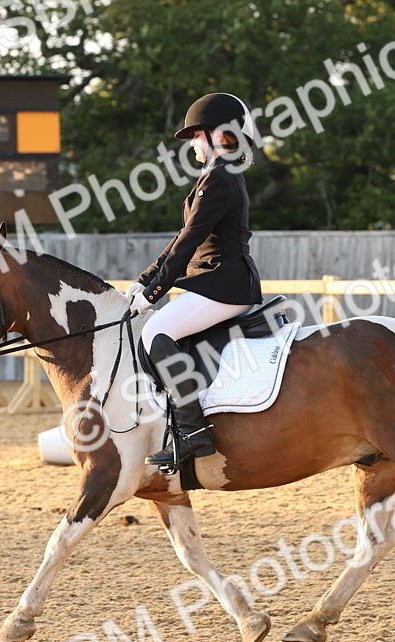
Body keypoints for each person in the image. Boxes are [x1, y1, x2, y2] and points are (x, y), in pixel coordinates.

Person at [126, 92, 263, 469]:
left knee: (155, 333)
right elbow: (182, 237)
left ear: (220, 135)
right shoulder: (217, 175)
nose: (193, 145)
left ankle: (193, 432)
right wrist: (146, 279)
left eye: (197, 136)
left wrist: (154, 294)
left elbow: (188, 242)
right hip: (218, 283)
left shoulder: (220, 177)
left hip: (224, 285)